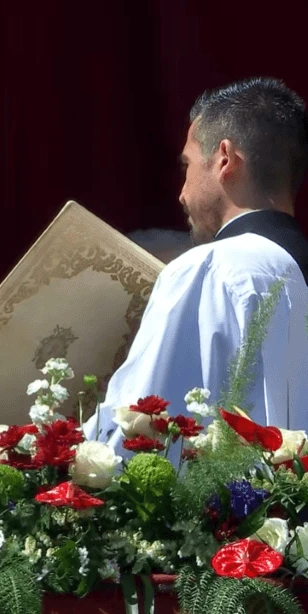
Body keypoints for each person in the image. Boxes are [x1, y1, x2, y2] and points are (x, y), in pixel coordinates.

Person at [85, 77, 308, 448]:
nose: (181, 193)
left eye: (187, 166)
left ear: (225, 159)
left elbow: (141, 437)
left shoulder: (210, 269)